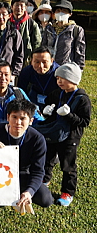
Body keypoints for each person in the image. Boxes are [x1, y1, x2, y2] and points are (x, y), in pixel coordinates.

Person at [0, 99, 53, 208]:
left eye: (23, 118)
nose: (18, 122)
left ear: (31, 121)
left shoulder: (37, 139)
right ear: (8, 117)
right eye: (14, 117)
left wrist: (29, 192)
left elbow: (38, 171)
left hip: (23, 174)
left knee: (46, 199)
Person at [40, 63, 91, 206]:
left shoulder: (82, 99)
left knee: (67, 164)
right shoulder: (57, 93)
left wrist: (69, 115)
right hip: (53, 133)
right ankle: (45, 179)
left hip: (70, 137)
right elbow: (47, 104)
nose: (59, 82)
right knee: (48, 158)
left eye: (63, 78)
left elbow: (85, 121)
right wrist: (46, 110)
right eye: (57, 79)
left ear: (73, 79)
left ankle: (68, 192)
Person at [40, 0, 85, 69]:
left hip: (66, 67)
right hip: (49, 67)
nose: (60, 13)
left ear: (70, 14)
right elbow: (43, 47)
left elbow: (79, 52)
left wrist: (79, 69)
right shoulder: (49, 29)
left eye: (64, 11)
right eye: (58, 11)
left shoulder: (76, 30)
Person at [9, 0, 41, 65]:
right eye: (17, 5)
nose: (19, 8)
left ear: (25, 7)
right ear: (12, 7)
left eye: (22, 6)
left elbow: (37, 43)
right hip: (9, 58)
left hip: (26, 59)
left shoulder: (31, 23)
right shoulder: (6, 22)